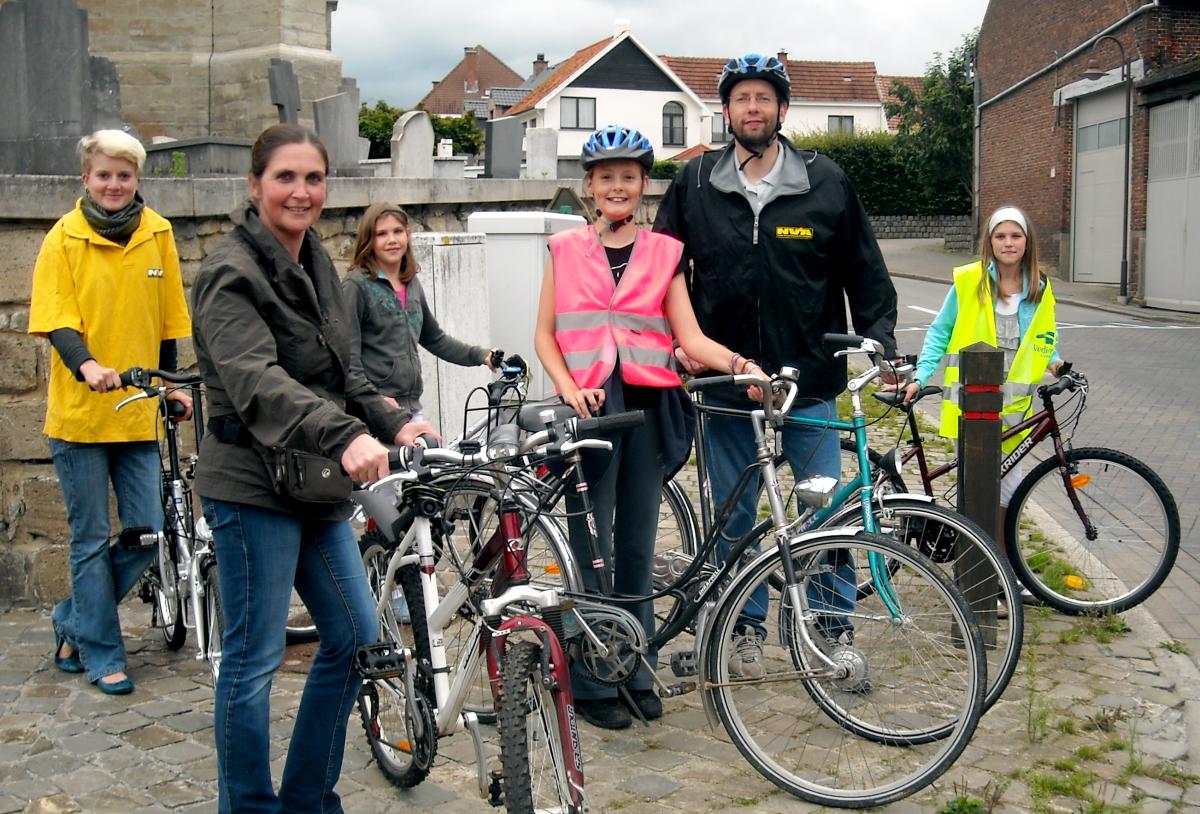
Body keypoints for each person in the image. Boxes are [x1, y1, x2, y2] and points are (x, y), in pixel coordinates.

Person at [190, 124, 436, 814]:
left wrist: (394, 421)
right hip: (251, 488)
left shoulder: (320, 264)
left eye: (313, 179)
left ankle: (306, 799)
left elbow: (346, 371)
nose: (301, 192)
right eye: (286, 177)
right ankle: (249, 806)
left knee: (357, 639)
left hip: (313, 485)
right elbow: (255, 380)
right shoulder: (229, 272)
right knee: (254, 659)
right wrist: (345, 433)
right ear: (255, 184)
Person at [653, 53, 899, 676]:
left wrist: (880, 339)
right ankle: (745, 629)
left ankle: (831, 630)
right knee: (734, 517)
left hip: (808, 381)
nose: (753, 108)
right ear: (728, 111)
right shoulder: (696, 185)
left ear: (782, 110)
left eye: (764, 98)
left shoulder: (826, 182)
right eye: (742, 99)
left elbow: (865, 271)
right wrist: (671, 343)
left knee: (827, 511)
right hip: (727, 385)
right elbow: (659, 273)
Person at [535, 125, 765, 730]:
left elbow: (688, 338)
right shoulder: (563, 249)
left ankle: (635, 664)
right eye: (605, 177)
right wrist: (567, 386)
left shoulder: (665, 253)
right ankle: (589, 678)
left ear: (643, 185)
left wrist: (742, 367)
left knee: (637, 543)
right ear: (589, 186)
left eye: (628, 177)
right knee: (592, 548)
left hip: (647, 407)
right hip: (589, 411)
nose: (617, 186)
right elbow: (544, 336)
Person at [30, 129, 193, 696]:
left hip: (137, 412)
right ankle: (101, 651)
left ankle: (74, 620)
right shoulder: (64, 238)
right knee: (90, 537)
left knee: (147, 531)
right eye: (104, 175)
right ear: (86, 179)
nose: (114, 184)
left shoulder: (158, 235)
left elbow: (169, 318)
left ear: (137, 180)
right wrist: (87, 364)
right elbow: (56, 319)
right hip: (81, 414)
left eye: (124, 175)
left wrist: (171, 384)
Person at [342, 202, 497, 621]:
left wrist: (483, 355)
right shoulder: (357, 287)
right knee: (388, 504)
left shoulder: (410, 285)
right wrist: (376, 401)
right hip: (377, 412)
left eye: (398, 231)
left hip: (412, 408)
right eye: (382, 233)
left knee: (418, 499)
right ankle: (386, 588)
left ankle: (411, 578)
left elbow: (436, 339)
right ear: (368, 241)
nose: (392, 240)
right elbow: (348, 360)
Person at [904, 206, 1062, 568]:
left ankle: (1000, 566)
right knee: (976, 488)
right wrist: (920, 376)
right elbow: (940, 332)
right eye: (1000, 236)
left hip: (1013, 409)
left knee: (1008, 489)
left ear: (1027, 242)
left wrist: (1055, 362)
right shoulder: (970, 282)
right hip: (972, 406)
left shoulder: (1039, 287)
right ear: (990, 242)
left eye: (1016, 236)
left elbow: (1044, 337)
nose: (1008, 243)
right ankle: (975, 568)